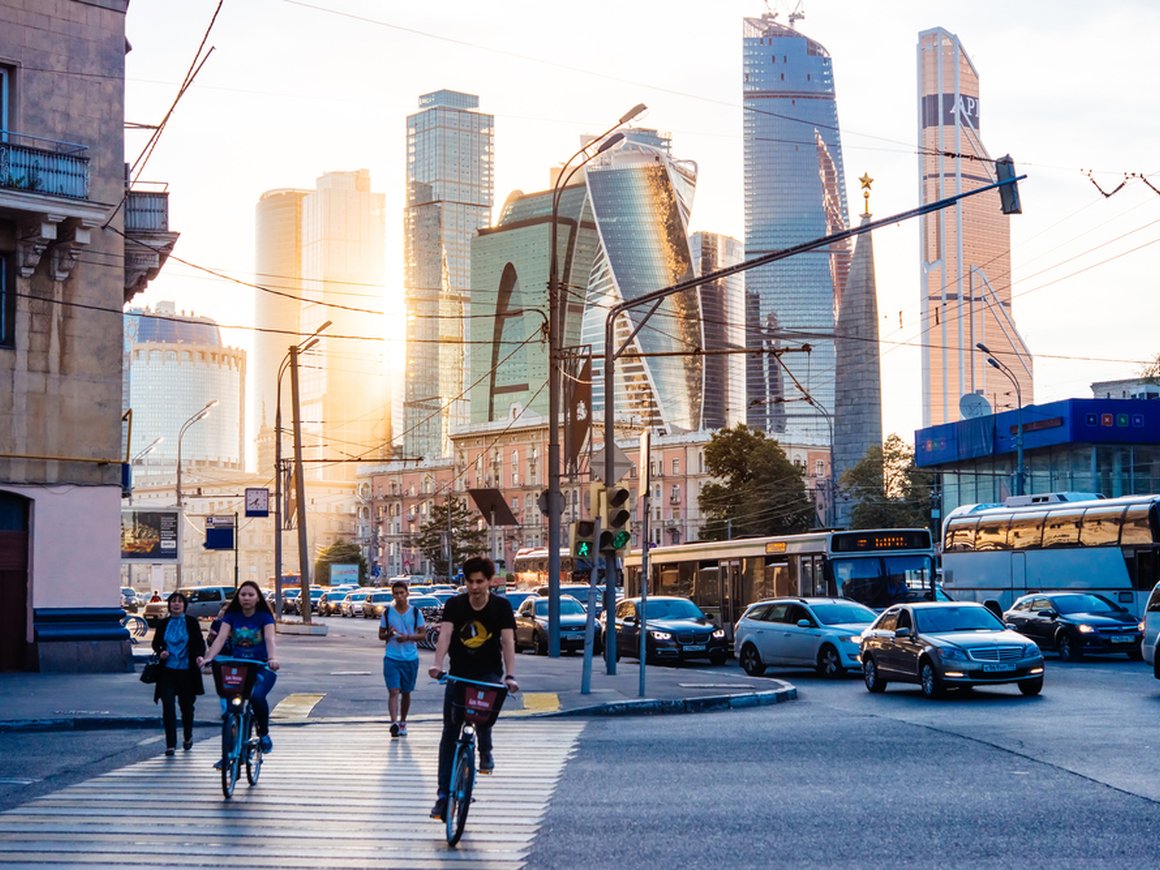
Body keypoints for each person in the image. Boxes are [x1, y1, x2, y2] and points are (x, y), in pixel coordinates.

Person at [427, 556, 518, 821]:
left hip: (488, 672)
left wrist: (510, 675)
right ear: (464, 582)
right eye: (470, 581)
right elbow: (444, 635)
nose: (475, 587)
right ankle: (443, 796)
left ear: (490, 582)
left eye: (480, 582)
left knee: (484, 713)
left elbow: (508, 642)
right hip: (459, 674)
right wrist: (437, 664)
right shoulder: (455, 604)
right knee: (449, 733)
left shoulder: (500, 607)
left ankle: (485, 750)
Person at [197, 580, 280, 753]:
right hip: (239, 667)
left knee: (257, 697)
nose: (246, 598)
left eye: (251, 595)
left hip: (261, 666)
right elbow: (220, 639)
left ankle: (263, 734)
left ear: (257, 598)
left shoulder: (264, 617)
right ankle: (230, 752)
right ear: (238, 597)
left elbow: (269, 639)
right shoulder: (232, 616)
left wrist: (272, 658)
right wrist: (208, 658)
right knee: (231, 708)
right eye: (243, 595)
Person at [151, 591, 206, 756]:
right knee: (168, 706)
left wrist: (198, 656)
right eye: (173, 602)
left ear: (184, 605)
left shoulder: (191, 622)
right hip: (167, 670)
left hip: (187, 671)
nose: (176, 604)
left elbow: (198, 642)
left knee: (187, 707)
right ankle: (170, 744)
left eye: (179, 602)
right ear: (169, 605)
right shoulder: (164, 623)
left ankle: (188, 736)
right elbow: (156, 643)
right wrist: (161, 651)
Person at [378, 579, 425, 737]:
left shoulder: (415, 612)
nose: (399, 596)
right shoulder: (387, 613)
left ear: (407, 594)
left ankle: (403, 721)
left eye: (401, 593)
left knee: (406, 692)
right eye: (396, 594)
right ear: (393, 595)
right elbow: (381, 635)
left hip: (410, 658)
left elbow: (423, 634)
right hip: (392, 657)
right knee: (393, 691)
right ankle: (394, 723)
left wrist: (408, 637)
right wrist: (389, 634)